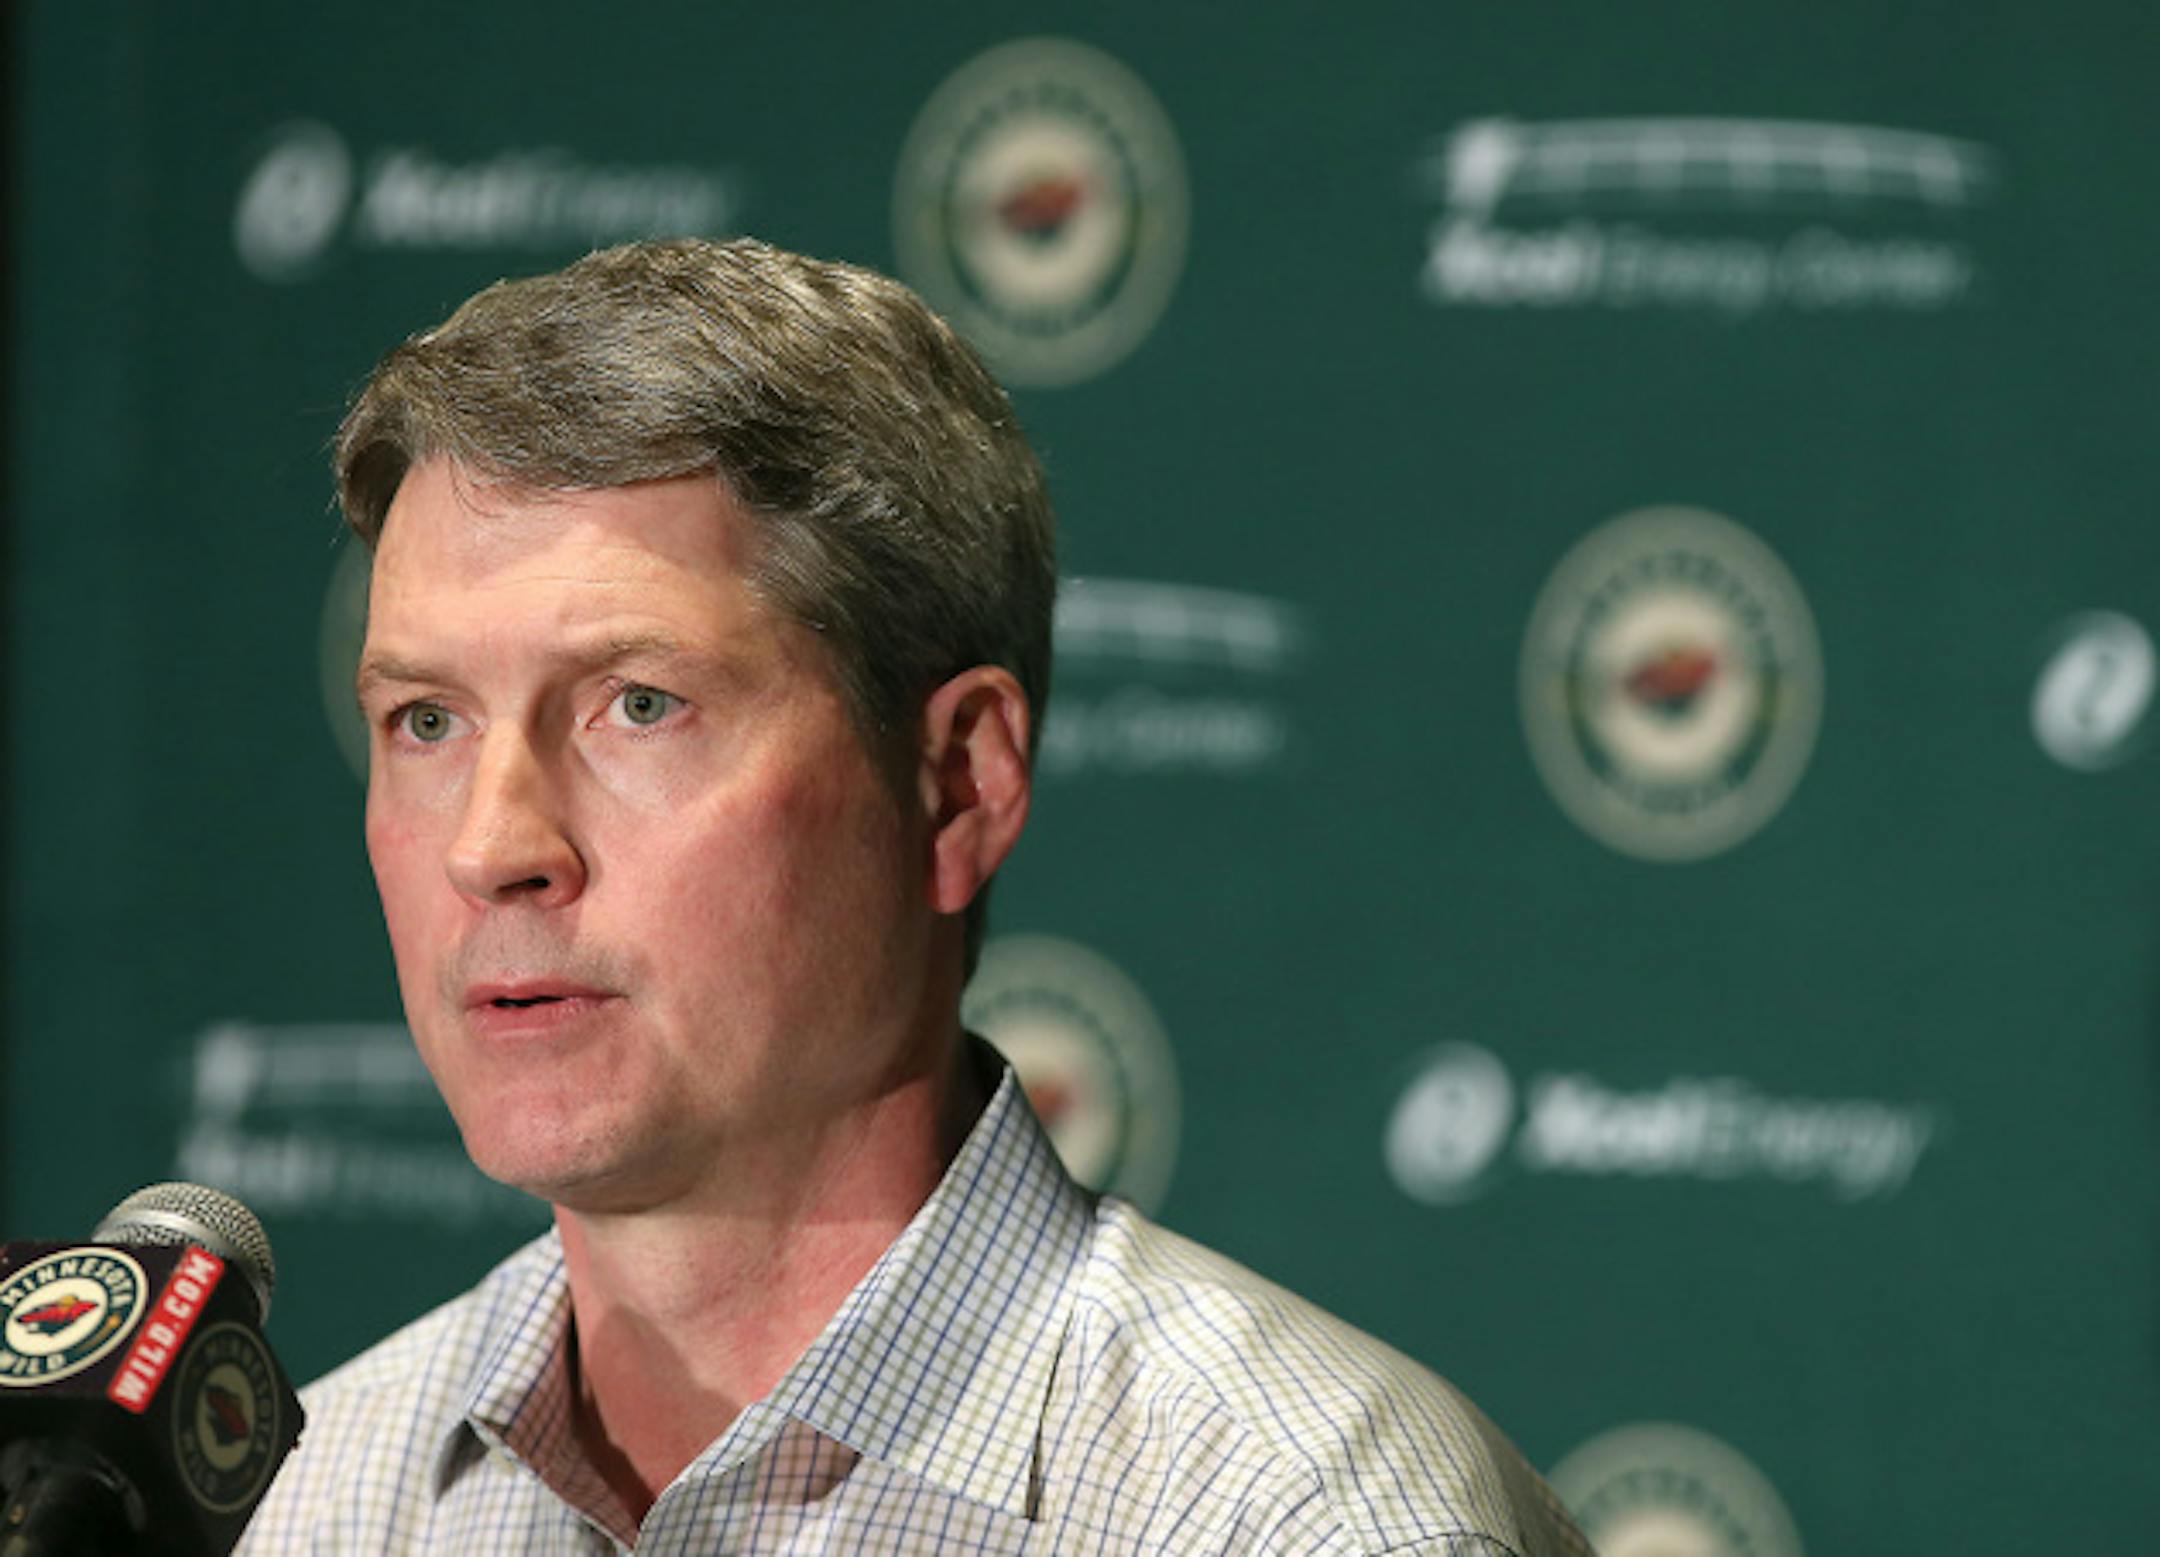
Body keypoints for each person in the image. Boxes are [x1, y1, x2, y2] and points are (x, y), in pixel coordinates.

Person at [239, 238, 1590, 1555]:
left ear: (956, 785)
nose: (494, 845)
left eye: (638, 705)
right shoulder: (302, 1506)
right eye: (426, 721)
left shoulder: (1314, 1520)